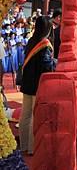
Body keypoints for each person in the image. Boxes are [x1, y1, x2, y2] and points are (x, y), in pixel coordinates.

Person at [19, 16, 56, 155]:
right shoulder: (44, 44)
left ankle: (23, 145)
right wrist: (55, 63)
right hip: (38, 84)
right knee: (35, 116)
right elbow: (46, 66)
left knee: (25, 114)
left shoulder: (31, 40)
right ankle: (32, 148)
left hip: (27, 82)